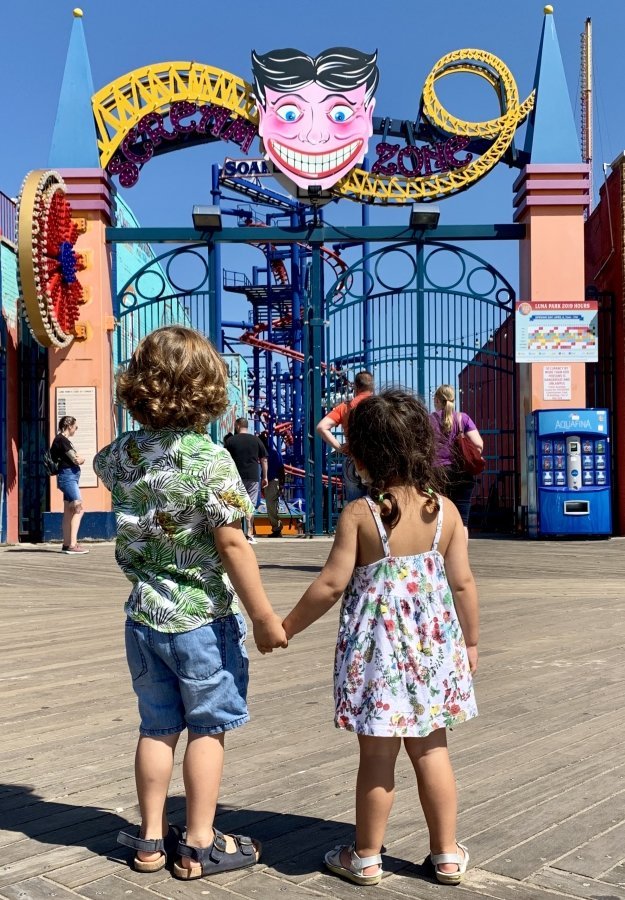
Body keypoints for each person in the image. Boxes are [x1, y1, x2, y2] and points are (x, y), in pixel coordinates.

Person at [93, 326, 287, 881]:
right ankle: (199, 842)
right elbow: (230, 543)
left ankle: (151, 840)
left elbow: (111, 470)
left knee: (156, 727)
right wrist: (263, 615)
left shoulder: (122, 454)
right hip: (203, 619)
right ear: (207, 390)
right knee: (207, 728)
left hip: (144, 616)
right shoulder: (212, 460)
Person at [283, 389, 479, 887]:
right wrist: (471, 643)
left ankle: (366, 856)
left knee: (376, 757)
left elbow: (330, 586)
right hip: (434, 656)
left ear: (364, 454)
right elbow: (463, 584)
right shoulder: (447, 513)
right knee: (433, 752)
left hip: (378, 658)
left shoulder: (360, 515)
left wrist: (284, 627)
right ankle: (447, 855)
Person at [430, 385, 484, 544]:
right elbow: (479, 445)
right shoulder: (463, 419)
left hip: (437, 473)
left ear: (438, 400)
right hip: (462, 472)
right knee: (462, 521)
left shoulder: (429, 420)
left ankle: (439, 555)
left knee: (438, 518)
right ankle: (460, 557)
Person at [316, 371, 374, 503]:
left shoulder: (345, 407)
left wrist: (340, 448)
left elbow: (321, 427)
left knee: (355, 506)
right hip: (375, 462)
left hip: (353, 461)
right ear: (372, 387)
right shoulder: (380, 405)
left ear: (355, 387)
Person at [225, 419, 268, 544]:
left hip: (236, 477)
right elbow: (264, 459)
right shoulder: (256, 440)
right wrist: (264, 476)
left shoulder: (231, 441)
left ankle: (236, 534)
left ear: (238, 425)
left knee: (235, 505)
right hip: (253, 476)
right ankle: (249, 535)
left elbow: (225, 459)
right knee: (250, 505)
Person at [50, 415, 88, 554]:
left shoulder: (60, 440)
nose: (76, 429)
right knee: (79, 508)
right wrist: (82, 459)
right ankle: (73, 544)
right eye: (75, 427)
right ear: (69, 426)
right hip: (68, 478)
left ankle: (66, 544)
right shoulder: (62, 440)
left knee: (68, 510)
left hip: (68, 477)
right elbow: (75, 459)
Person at [259, 432, 286, 537]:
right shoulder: (274, 453)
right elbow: (281, 468)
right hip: (272, 481)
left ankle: (277, 528)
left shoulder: (265, 454)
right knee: (272, 505)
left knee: (271, 505)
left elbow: (280, 469)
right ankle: (276, 527)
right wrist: (282, 484)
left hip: (271, 481)